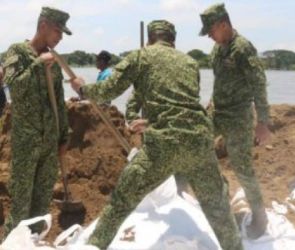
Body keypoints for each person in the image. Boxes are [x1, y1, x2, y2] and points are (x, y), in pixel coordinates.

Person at [71, 20, 244, 250]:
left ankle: (94, 246)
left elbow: (107, 90)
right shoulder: (191, 63)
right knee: (219, 210)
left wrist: (82, 88)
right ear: (173, 41)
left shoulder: (141, 56)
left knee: (122, 200)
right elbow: (182, 108)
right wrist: (151, 121)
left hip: (163, 145)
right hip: (199, 141)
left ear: (151, 39)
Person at [199, 3, 270, 239]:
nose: (210, 36)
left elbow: (259, 84)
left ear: (223, 24)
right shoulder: (218, 50)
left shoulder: (243, 48)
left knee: (242, 168)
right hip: (218, 112)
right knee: (196, 145)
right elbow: (220, 81)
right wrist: (210, 103)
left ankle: (260, 216)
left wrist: (263, 122)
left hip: (239, 116)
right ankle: (220, 196)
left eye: (211, 31)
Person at [3, 7, 71, 234]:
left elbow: (59, 104)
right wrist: (37, 64)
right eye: (57, 31)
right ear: (43, 26)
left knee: (41, 208)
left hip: (49, 144)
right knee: (21, 207)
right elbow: (14, 87)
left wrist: (63, 138)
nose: (60, 38)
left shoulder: (55, 60)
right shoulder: (18, 52)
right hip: (27, 143)